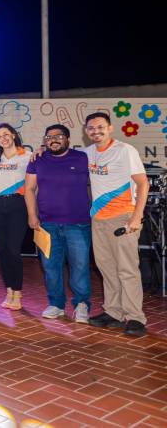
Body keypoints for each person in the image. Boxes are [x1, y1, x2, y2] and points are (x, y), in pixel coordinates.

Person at [83, 112, 149, 337]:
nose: (96, 131)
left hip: (123, 217)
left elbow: (143, 184)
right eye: (91, 128)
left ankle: (135, 317)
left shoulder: (125, 150)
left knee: (127, 269)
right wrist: (40, 151)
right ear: (86, 131)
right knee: (107, 268)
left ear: (110, 128)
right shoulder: (88, 153)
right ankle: (114, 312)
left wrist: (136, 217)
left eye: (100, 127)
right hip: (98, 219)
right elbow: (62, 158)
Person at [24, 124, 92, 323]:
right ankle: (56, 304)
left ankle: (81, 304)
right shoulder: (37, 160)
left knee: (80, 266)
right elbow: (29, 189)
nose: (53, 139)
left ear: (68, 139)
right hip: (47, 224)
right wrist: (32, 215)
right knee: (51, 267)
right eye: (49, 137)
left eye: (58, 136)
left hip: (78, 224)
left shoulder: (83, 158)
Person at [0, 123, 30, 310]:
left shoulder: (27, 156)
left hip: (18, 205)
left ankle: (18, 293)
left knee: (13, 249)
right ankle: (9, 291)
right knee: (3, 251)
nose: (3, 138)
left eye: (6, 134)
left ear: (13, 135)